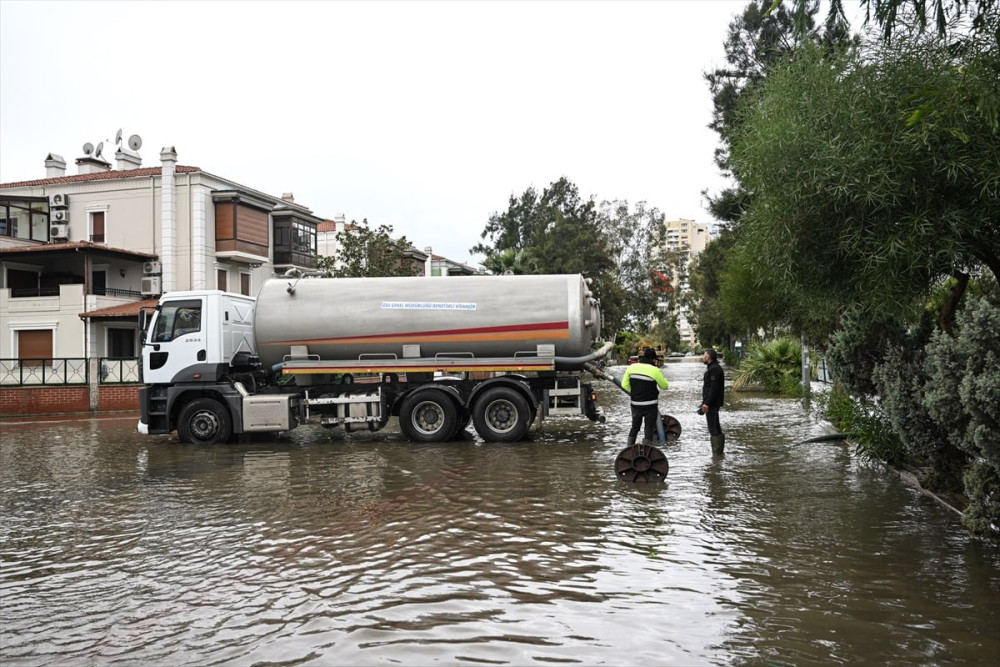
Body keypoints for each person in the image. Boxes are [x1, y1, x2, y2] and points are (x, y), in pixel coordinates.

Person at [621, 347, 669, 447]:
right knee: (649, 429)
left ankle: (629, 448)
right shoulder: (655, 370)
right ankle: (647, 450)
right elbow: (664, 386)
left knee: (635, 427)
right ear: (653, 359)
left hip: (635, 404)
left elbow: (624, 385)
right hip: (650, 405)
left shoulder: (631, 368)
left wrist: (635, 393)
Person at [701, 348, 725, 455]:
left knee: (713, 428)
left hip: (712, 404)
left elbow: (714, 389)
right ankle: (719, 454)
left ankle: (716, 455)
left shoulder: (714, 369)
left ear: (708, 357)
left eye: (704, 355)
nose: (703, 357)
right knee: (716, 426)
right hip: (713, 403)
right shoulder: (713, 368)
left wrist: (707, 403)